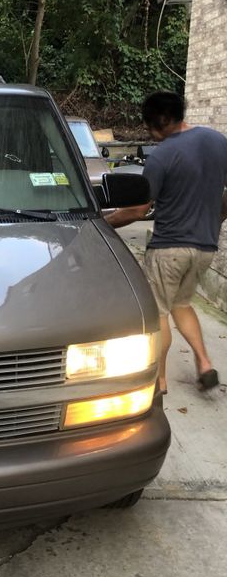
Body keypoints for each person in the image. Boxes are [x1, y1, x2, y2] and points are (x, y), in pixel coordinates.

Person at [106, 91, 227, 394]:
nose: (150, 134)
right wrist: (218, 218)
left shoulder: (160, 156)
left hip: (169, 249)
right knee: (182, 303)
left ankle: (158, 381)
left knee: (158, 312)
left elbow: (138, 209)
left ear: (159, 121)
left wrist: (103, 224)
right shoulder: (217, 141)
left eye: (149, 127)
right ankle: (204, 363)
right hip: (205, 248)